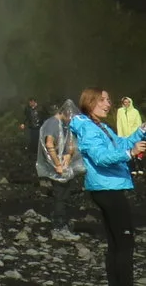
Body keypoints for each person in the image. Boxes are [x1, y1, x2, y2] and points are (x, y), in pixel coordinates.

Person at [73, 87, 146, 286]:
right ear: (90, 103)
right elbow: (101, 157)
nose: (108, 104)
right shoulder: (88, 128)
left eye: (108, 100)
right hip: (107, 189)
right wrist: (131, 153)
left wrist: (141, 131)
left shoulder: (99, 126)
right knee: (125, 243)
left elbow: (119, 144)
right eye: (103, 100)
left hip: (107, 187)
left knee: (115, 243)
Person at [42, 99, 85, 232]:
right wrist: (57, 164)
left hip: (64, 164)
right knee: (60, 194)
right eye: (70, 117)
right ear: (64, 113)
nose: (70, 120)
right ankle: (59, 223)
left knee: (65, 192)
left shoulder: (61, 124)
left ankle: (62, 219)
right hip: (57, 166)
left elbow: (68, 143)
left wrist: (68, 156)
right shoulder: (52, 123)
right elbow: (49, 144)